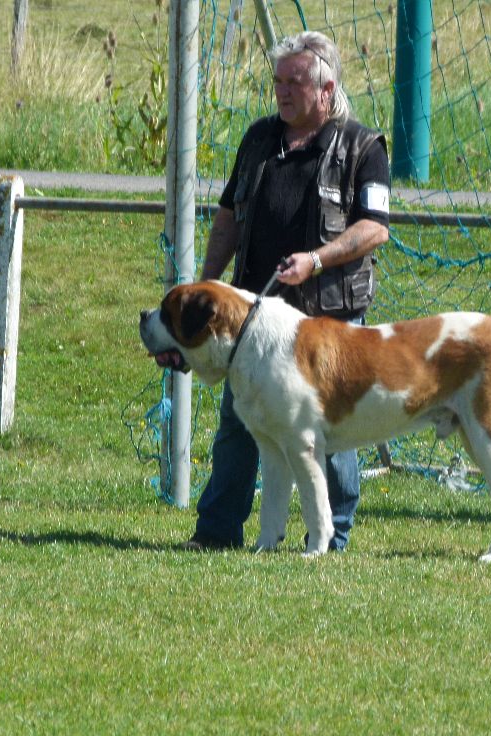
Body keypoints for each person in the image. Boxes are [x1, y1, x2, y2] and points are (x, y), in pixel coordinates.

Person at [183, 30, 390, 552]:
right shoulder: (258, 139)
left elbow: (375, 229)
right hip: (254, 322)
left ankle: (332, 536)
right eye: (278, 81)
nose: (282, 91)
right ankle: (216, 532)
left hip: (329, 318)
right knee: (237, 425)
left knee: (332, 433)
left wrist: (317, 260)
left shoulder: (363, 146)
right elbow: (229, 214)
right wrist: (209, 279)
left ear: (326, 89)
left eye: (294, 81)